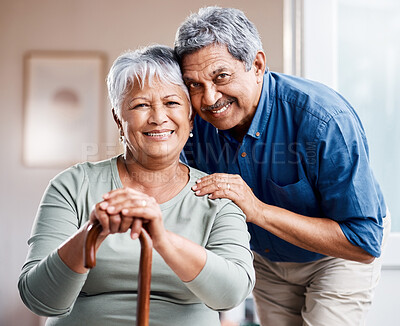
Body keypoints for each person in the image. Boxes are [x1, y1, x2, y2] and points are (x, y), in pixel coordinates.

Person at [175, 6, 390, 326]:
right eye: (194, 84)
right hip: (268, 259)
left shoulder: (325, 121)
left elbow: (363, 241)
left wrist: (257, 210)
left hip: (337, 258)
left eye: (221, 77)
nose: (209, 99)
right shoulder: (195, 125)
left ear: (257, 65)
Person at [18, 44, 255, 326]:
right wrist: (91, 232)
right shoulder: (72, 185)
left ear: (190, 119)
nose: (157, 117)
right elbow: (40, 298)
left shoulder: (216, 194)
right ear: (119, 119)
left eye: (172, 103)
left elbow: (232, 294)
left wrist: (162, 239)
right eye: (141, 104)